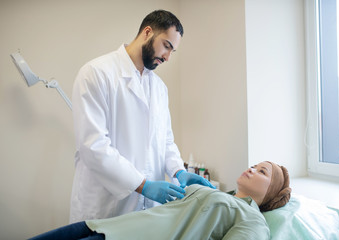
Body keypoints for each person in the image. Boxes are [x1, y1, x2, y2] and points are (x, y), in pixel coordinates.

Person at [70, 10, 214, 223]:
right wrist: (142, 185)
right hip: (105, 209)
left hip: (146, 213)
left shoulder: (159, 88)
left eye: (173, 51)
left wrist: (178, 170)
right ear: (148, 32)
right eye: (166, 46)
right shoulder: (96, 73)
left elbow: (165, 141)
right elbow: (93, 145)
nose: (167, 57)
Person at [29, 161, 292, 240]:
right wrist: (180, 174)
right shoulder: (219, 194)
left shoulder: (253, 219)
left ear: (271, 192)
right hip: (108, 226)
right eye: (255, 165)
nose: (252, 169)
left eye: (262, 172)